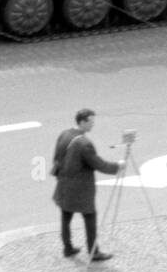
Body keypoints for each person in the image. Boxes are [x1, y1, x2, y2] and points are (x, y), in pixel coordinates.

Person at [51, 109, 123, 261]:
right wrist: (117, 166)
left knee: (66, 216)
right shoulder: (84, 144)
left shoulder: (64, 134)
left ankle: (67, 248)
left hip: (64, 184)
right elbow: (98, 164)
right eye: (91, 122)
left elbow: (57, 157)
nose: (93, 125)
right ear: (82, 122)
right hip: (81, 189)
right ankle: (93, 251)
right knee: (90, 218)